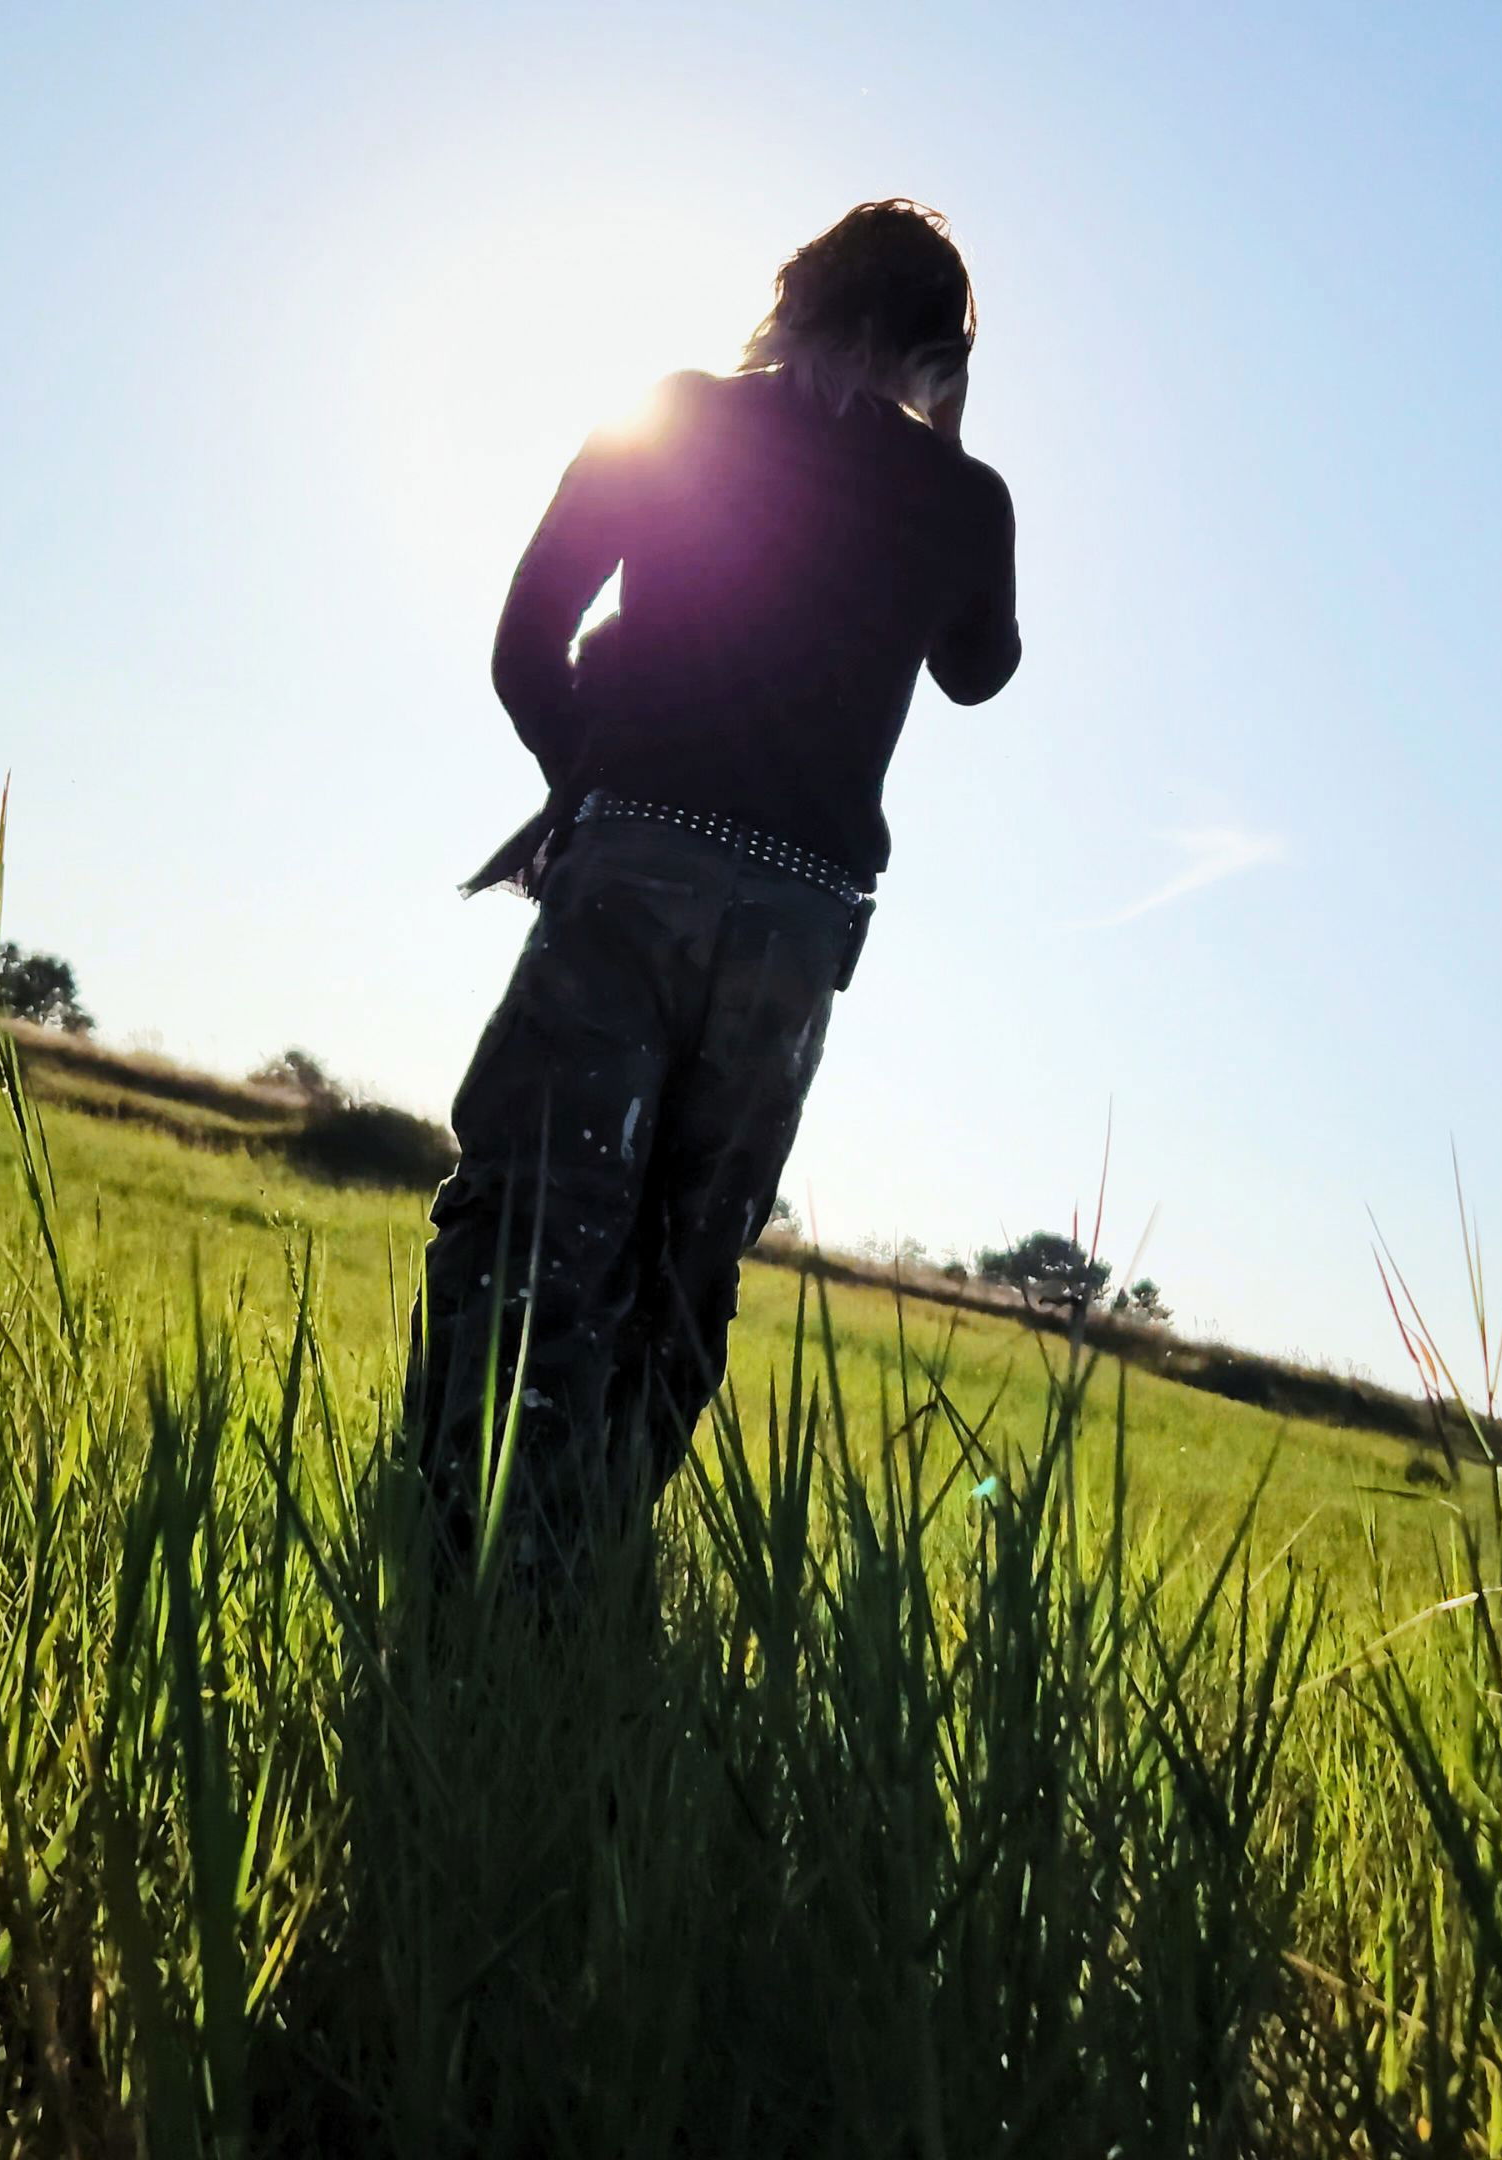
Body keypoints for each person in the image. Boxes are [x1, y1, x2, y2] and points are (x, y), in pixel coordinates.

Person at [404, 200, 1023, 1589]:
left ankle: (466, 1562)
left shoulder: (676, 414)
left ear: (791, 297)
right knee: (688, 1260)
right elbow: (980, 671)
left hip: (629, 872)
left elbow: (524, 644)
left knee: (530, 1215)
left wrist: (600, 792)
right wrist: (950, 451)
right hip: (797, 934)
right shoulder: (964, 501)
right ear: (938, 351)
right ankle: (593, 1569)